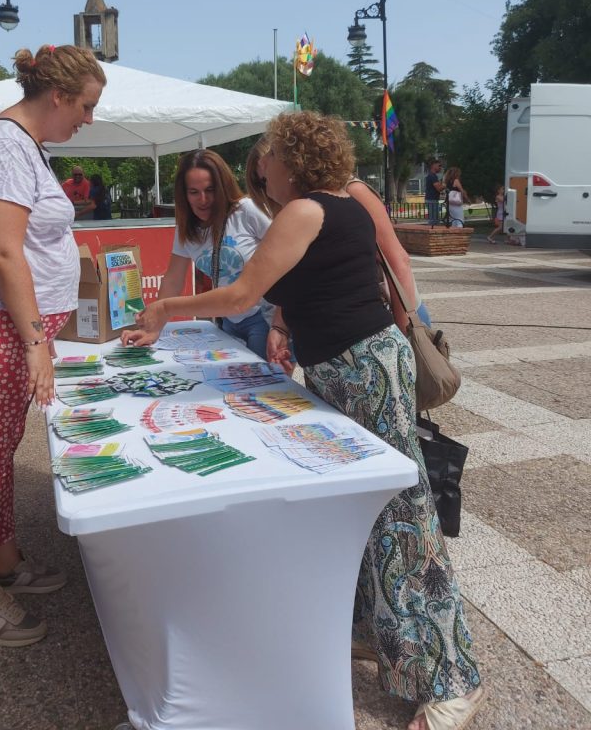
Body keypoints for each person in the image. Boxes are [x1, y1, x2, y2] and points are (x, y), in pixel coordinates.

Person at [134, 112, 484, 730]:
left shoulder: (304, 211)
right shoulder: (323, 209)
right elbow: (307, 287)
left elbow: (243, 293)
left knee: (402, 516)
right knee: (360, 508)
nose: (258, 167)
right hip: (348, 367)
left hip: (362, 369)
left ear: (288, 161)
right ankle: (381, 633)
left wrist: (166, 306)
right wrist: (284, 323)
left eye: (266, 156)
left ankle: (452, 677)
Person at [0, 43, 106, 648]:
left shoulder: (22, 146)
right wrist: (36, 341)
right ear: (56, 96)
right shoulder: (7, 146)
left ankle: (4, 564)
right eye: (85, 106)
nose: (88, 118)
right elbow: (5, 253)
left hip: (1, 322)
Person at [246, 136, 432, 331]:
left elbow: (397, 261)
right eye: (261, 183)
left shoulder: (351, 190)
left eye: (266, 178)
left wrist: (406, 332)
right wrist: (280, 327)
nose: (267, 190)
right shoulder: (302, 207)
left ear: (290, 164)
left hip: (393, 317)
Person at [122, 148, 271, 357]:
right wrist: (153, 327)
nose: (203, 199)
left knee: (265, 386)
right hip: (226, 320)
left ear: (223, 186)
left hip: (264, 317)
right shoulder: (186, 228)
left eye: (210, 190)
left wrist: (283, 324)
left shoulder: (246, 210)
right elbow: (173, 279)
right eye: (194, 192)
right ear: (183, 195)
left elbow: (286, 254)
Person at [425, 159, 444, 227]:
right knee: (433, 220)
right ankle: (431, 235)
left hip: (433, 200)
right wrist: (445, 184)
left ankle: (434, 234)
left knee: (435, 220)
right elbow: (439, 188)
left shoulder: (433, 176)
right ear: (433, 165)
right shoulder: (432, 176)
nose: (440, 167)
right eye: (439, 165)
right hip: (432, 200)